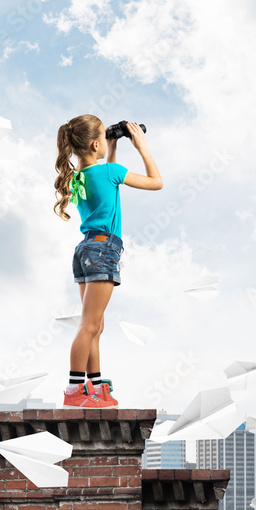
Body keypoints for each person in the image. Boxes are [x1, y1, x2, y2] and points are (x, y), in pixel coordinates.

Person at [53, 116, 162, 408]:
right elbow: (156, 182)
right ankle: (75, 391)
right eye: (104, 135)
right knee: (89, 325)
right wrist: (141, 147)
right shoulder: (111, 171)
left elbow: (107, 186)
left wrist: (111, 146)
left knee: (95, 326)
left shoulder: (77, 178)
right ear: (95, 144)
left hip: (86, 250)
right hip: (104, 250)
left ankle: (96, 388)